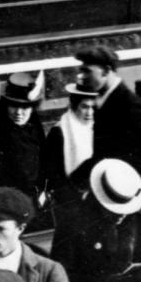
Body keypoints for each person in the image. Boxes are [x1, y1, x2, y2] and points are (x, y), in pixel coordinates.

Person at [50, 158, 141, 282]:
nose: (121, 215)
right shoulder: (72, 225)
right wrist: (104, 281)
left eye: (126, 210)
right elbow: (60, 278)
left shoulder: (130, 220)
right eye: (114, 209)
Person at [75, 45, 141, 186]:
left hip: (136, 189)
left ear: (106, 71)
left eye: (87, 71)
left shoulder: (131, 105)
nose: (83, 77)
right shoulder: (106, 101)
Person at [0, 73, 47, 207]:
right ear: (5, 106)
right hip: (7, 201)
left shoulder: (34, 125)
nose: (19, 112)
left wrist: (43, 190)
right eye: (13, 106)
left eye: (25, 107)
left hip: (35, 198)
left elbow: (44, 158)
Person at [40, 82, 98, 212]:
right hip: (69, 199)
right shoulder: (59, 132)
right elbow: (52, 174)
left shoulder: (97, 129)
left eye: (93, 108)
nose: (89, 113)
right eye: (84, 107)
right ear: (74, 106)